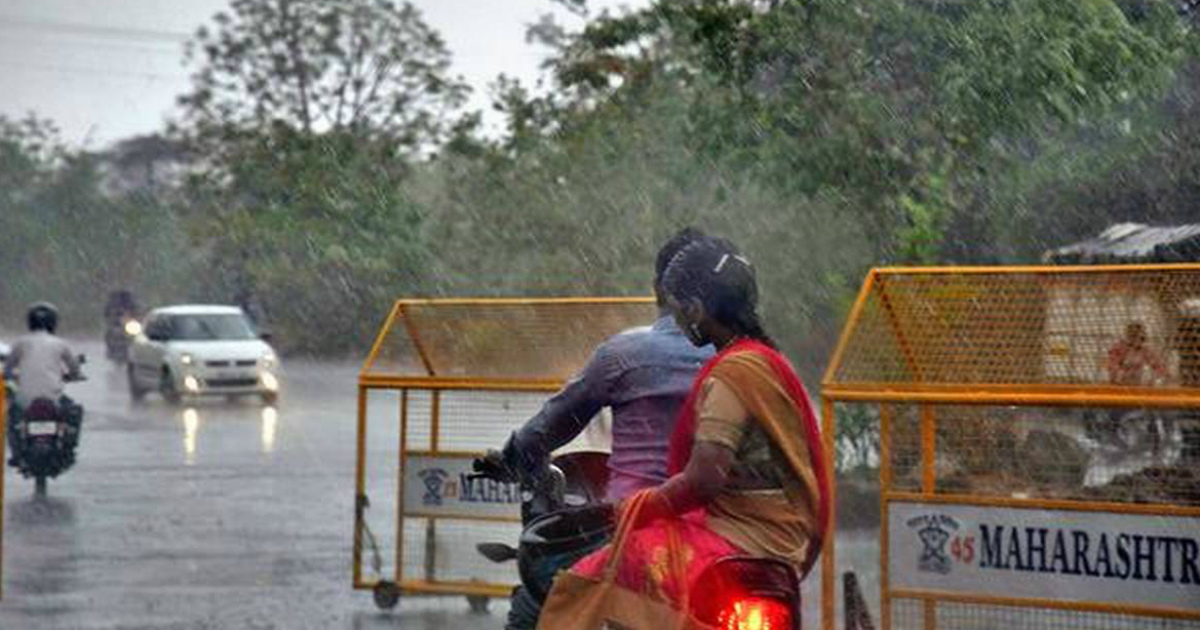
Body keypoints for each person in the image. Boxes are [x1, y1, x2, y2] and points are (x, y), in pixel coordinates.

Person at [558, 235, 831, 612]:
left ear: (697, 309)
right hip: (787, 541)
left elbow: (703, 480)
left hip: (741, 539)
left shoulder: (733, 374)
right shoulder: (770, 363)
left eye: (678, 309)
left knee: (580, 584)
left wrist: (639, 505)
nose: (679, 321)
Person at [499, 227, 716, 501]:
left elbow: (553, 423)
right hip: (717, 526)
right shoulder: (740, 361)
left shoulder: (621, 354)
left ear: (657, 289)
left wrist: (516, 452)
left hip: (631, 521)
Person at [4, 303, 83, 463]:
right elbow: (75, 369)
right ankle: (68, 449)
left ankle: (16, 452)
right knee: (74, 413)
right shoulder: (60, 344)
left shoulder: (21, 343)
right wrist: (74, 376)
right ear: (54, 322)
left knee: (11, 416)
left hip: (24, 398)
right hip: (53, 397)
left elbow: (8, 369)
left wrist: (12, 376)